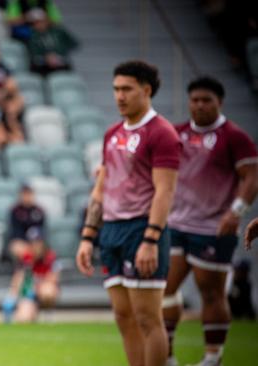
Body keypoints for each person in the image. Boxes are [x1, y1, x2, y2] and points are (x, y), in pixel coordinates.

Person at [76, 60, 181, 366]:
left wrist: (151, 239)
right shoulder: (112, 133)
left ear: (146, 90)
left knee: (149, 318)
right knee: (124, 317)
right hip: (110, 230)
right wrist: (87, 237)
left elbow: (166, 191)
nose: (119, 96)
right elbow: (101, 187)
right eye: (115, 89)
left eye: (126, 89)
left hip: (142, 230)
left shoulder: (162, 133)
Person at [162, 76, 258, 366]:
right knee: (165, 288)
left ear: (220, 103)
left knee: (212, 294)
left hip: (214, 228)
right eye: (195, 100)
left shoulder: (234, 136)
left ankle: (212, 357)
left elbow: (252, 177)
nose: (200, 106)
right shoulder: (176, 133)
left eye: (207, 100)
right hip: (176, 224)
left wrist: (236, 212)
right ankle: (166, 355)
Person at [2, 185, 46, 322]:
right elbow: (13, 235)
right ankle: (25, 283)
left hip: (34, 247)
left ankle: (23, 286)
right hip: (19, 243)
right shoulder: (15, 211)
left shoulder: (39, 211)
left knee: (33, 251)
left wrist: (35, 247)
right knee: (20, 249)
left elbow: (42, 235)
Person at [26, 8, 78, 76]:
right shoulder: (31, 36)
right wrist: (46, 57)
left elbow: (73, 43)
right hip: (41, 66)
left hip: (61, 62)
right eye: (35, 23)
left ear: (46, 20)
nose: (38, 24)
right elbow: (33, 52)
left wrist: (58, 54)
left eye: (40, 21)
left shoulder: (59, 31)